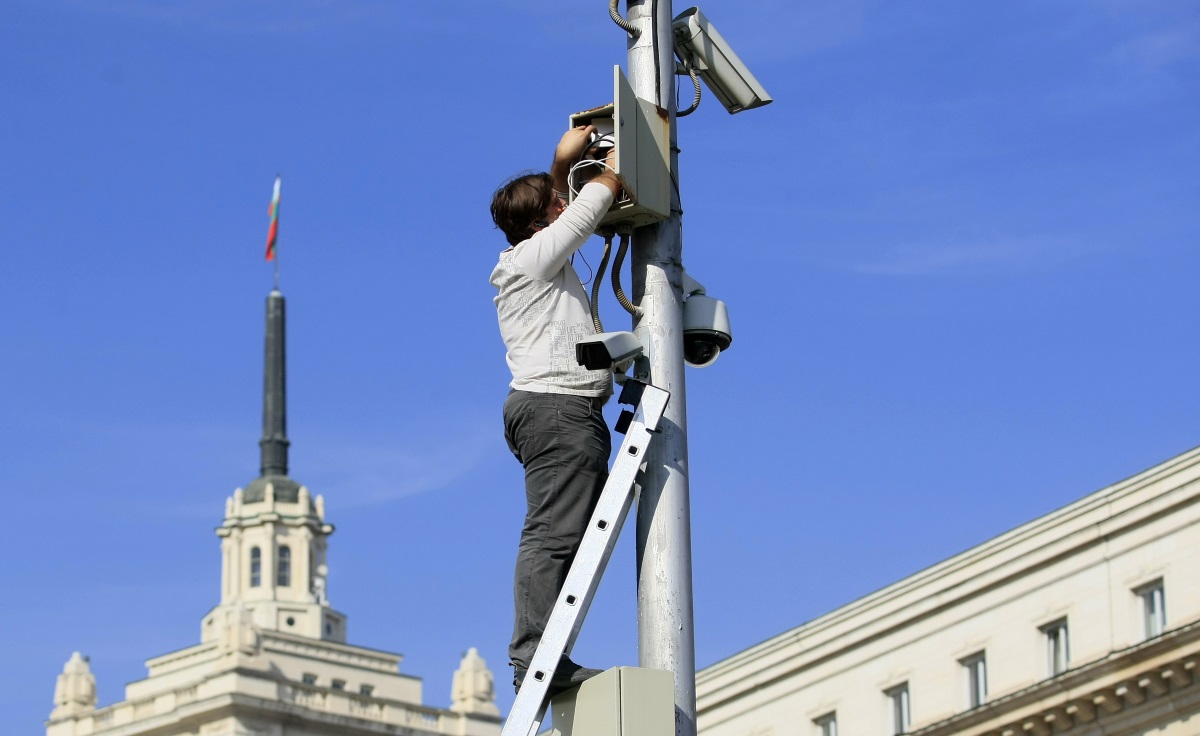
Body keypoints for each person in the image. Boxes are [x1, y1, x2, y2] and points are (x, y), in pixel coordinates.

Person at [489, 125, 622, 695]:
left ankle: (545, 654)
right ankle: (534, 659)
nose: (566, 200)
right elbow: (589, 205)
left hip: (555, 409)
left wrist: (563, 160)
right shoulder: (533, 259)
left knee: (564, 533)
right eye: (555, 200)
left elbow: (564, 214)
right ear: (544, 219)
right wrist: (625, 155)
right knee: (551, 535)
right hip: (557, 409)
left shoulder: (533, 254)